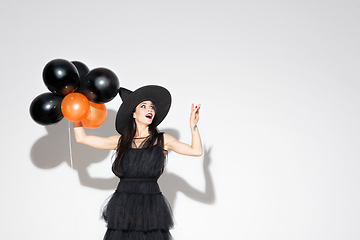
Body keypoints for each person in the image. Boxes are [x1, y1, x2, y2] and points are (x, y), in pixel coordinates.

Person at [73, 85, 202, 240]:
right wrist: (75, 112)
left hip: (151, 204)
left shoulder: (162, 140)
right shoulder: (120, 141)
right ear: (133, 113)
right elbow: (82, 138)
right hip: (124, 204)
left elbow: (196, 151)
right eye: (143, 106)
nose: (150, 110)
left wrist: (193, 125)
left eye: (152, 107)